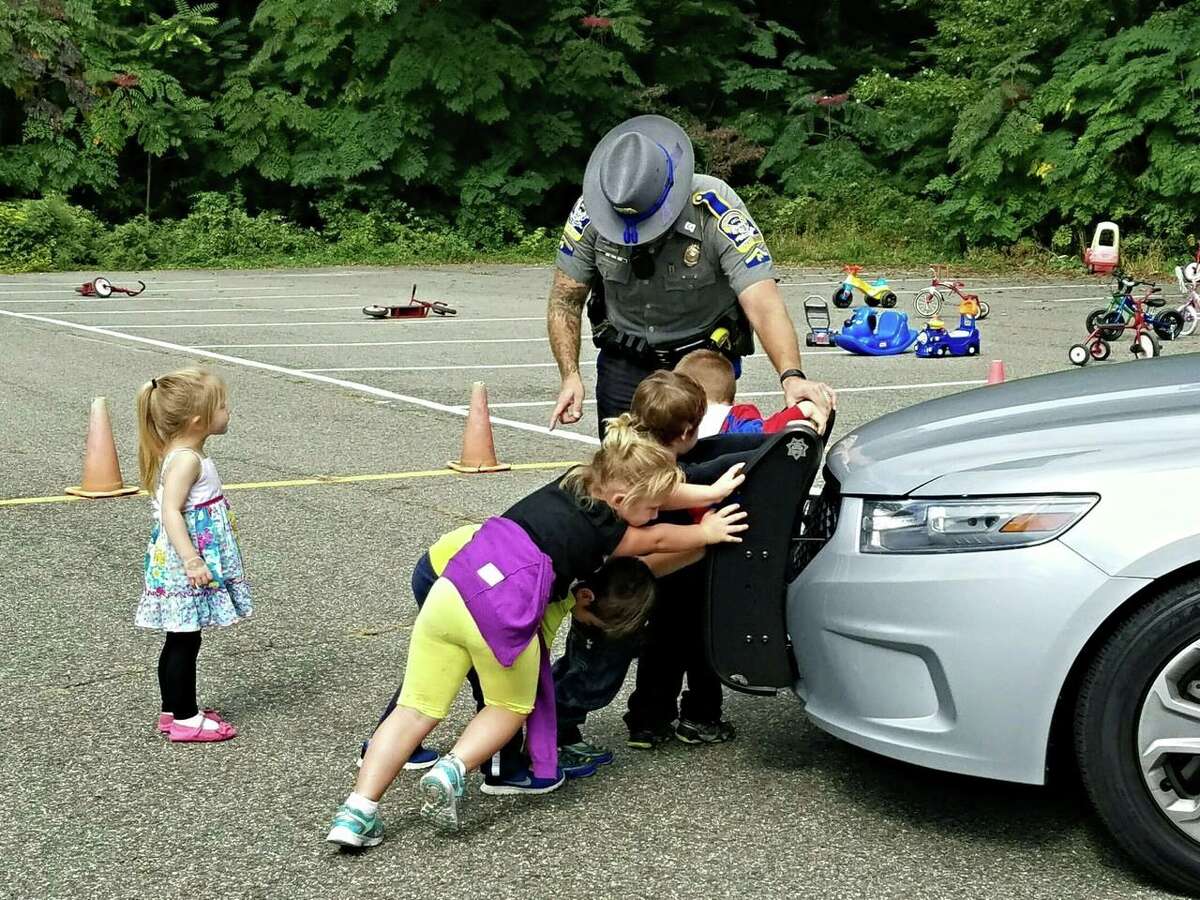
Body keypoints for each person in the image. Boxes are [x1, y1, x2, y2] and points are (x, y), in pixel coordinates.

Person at [542, 113, 836, 767]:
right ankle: (589, 696)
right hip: (624, 372)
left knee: (700, 530)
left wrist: (792, 378)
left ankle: (684, 696)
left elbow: (761, 299)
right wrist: (569, 376)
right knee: (626, 531)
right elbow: (565, 300)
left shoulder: (714, 206)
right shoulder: (592, 211)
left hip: (700, 371)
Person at [326, 417, 748, 844]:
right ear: (622, 499)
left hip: (454, 587)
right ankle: (452, 769)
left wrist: (711, 490)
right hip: (503, 608)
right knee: (509, 706)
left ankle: (357, 811)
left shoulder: (576, 480)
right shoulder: (609, 533)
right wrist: (706, 531)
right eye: (652, 506)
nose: (655, 513)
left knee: (414, 709)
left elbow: (649, 489)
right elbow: (656, 541)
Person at [134, 368, 250, 743]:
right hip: (187, 561)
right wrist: (192, 560)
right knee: (185, 639)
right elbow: (171, 511)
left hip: (186, 559)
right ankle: (185, 718)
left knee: (181, 637)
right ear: (199, 420)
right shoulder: (187, 460)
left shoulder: (184, 453)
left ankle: (174, 709)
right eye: (223, 406)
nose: (228, 411)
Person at [674, 349, 817, 438]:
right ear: (730, 399)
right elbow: (765, 432)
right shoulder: (734, 417)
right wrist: (802, 409)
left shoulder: (673, 418)